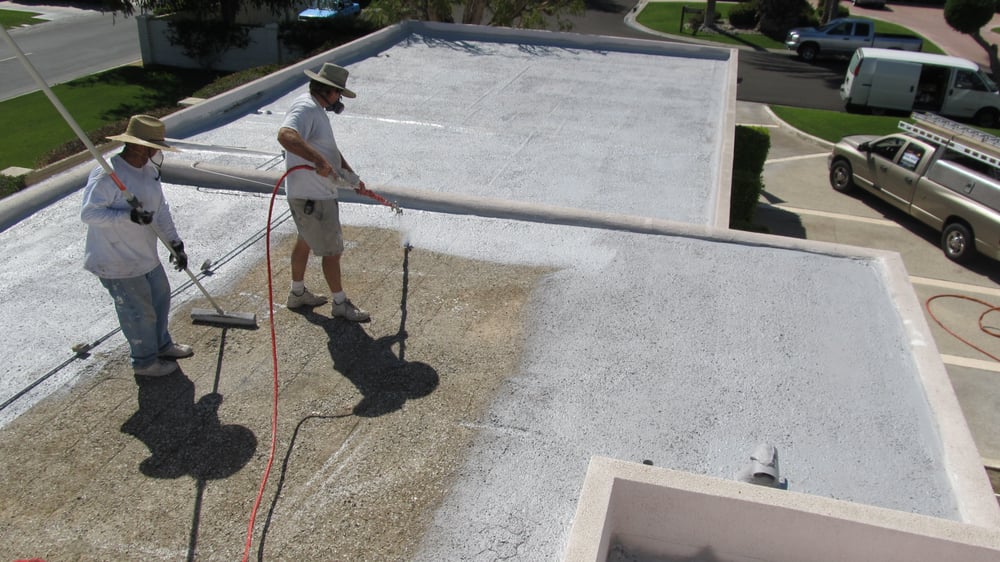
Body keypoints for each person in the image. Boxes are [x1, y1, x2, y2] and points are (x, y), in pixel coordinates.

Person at [81, 114, 193, 378]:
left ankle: (162, 345)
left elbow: (160, 210)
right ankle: (144, 362)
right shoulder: (107, 174)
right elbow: (89, 214)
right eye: (154, 147)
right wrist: (127, 216)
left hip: (145, 255)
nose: (156, 152)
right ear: (139, 145)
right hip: (116, 261)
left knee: (160, 299)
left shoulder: (148, 170)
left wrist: (174, 243)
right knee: (139, 312)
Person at [277, 62, 370, 322]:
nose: (339, 99)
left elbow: (328, 149)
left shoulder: (316, 110)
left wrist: (351, 177)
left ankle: (297, 294)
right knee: (332, 251)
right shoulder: (306, 107)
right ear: (329, 91)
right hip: (313, 197)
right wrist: (318, 162)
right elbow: (285, 135)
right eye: (338, 93)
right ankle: (340, 303)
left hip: (311, 195)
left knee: (305, 240)